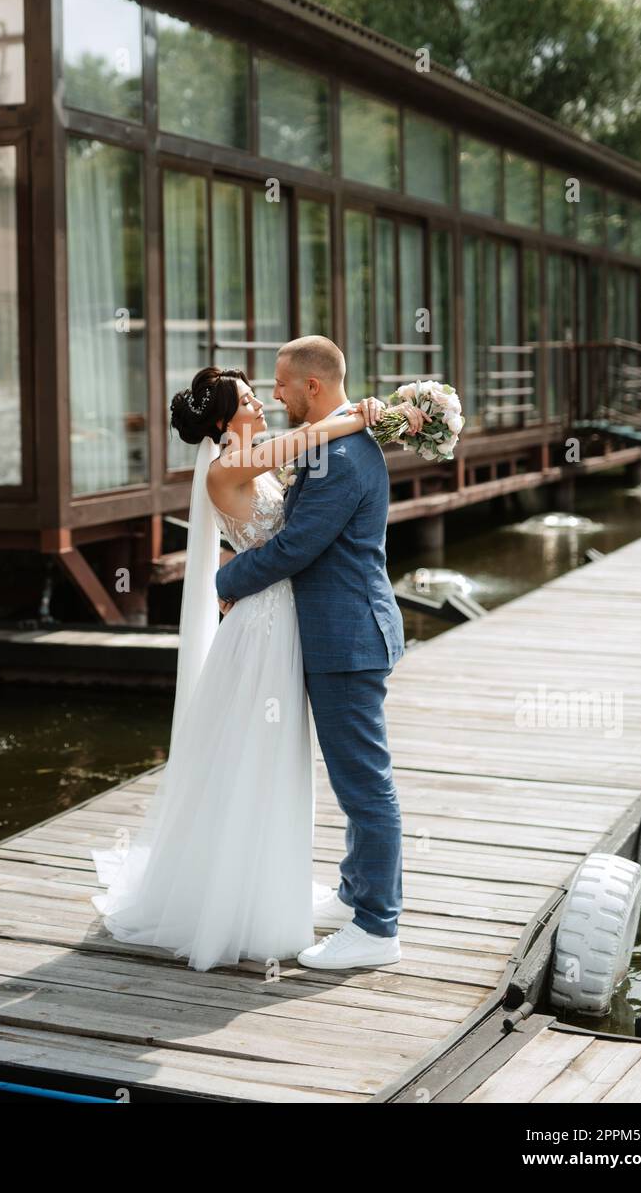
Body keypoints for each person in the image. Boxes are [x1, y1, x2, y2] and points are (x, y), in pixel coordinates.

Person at [89, 358, 422, 973]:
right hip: (269, 629)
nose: (263, 401)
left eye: (266, 389)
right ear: (223, 421)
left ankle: (370, 918)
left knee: (338, 775)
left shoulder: (275, 452)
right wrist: (364, 416)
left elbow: (296, 509)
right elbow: (307, 447)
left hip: (300, 625)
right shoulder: (233, 464)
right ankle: (277, 897)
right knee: (257, 758)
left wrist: (368, 417)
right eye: (248, 398)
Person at [216, 337, 418, 969]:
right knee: (354, 777)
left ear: (311, 386)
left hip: (348, 635)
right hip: (336, 631)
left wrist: (219, 584)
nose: (274, 395)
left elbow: (296, 546)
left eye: (279, 384)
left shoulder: (344, 455)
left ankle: (378, 927)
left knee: (364, 783)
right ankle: (356, 892)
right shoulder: (332, 443)